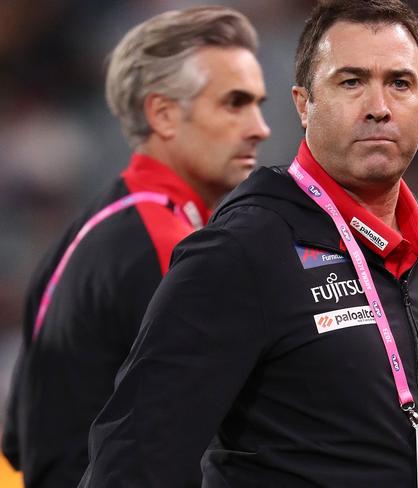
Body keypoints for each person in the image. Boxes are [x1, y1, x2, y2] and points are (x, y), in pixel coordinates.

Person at [80, 2, 418, 487]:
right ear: (304, 104)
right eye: (352, 82)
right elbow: (137, 450)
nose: (379, 107)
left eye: (399, 83)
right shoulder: (242, 251)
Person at [1, 6, 270, 488]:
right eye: (234, 103)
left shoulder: (90, 226)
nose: (259, 127)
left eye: (258, 104)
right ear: (163, 114)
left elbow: (19, 439)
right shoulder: (172, 246)